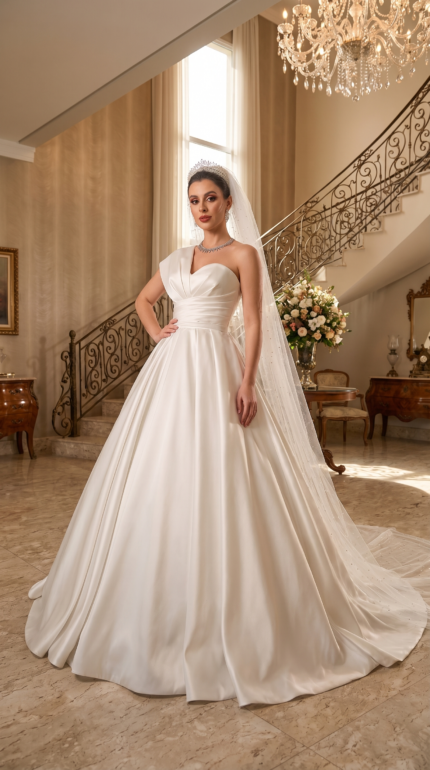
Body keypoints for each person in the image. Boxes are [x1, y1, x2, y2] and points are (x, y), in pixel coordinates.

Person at [25, 161, 430, 707]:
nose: (201, 208)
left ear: (228, 202)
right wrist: (159, 333)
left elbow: (257, 323)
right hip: (171, 370)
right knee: (156, 472)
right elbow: (144, 301)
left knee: (233, 472)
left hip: (219, 365)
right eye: (193, 200)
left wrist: (246, 381)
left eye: (210, 198)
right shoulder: (175, 259)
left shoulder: (243, 255)